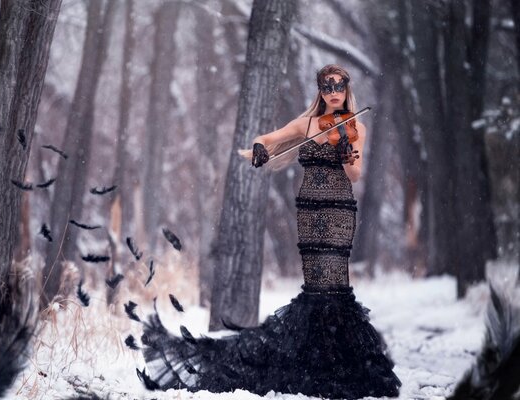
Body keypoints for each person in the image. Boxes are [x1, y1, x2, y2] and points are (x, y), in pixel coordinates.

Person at [138, 64, 401, 399]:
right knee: (317, 285)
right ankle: (315, 363)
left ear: (346, 90)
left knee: (334, 283)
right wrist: (260, 148)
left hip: (338, 211)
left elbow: (354, 174)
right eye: (326, 87)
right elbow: (266, 139)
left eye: (338, 87)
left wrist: (347, 152)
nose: (333, 92)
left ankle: (335, 366)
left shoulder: (355, 127)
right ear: (320, 91)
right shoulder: (306, 124)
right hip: (309, 211)